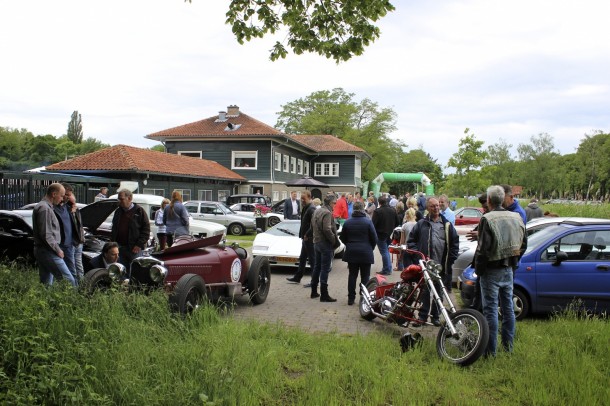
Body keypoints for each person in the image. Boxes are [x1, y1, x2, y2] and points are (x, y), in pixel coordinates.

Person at [473, 185, 527, 357]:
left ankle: (490, 351)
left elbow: (483, 250)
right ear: (503, 198)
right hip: (509, 269)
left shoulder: (487, 219)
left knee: (490, 310)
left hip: (491, 270)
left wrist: (479, 271)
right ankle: (508, 347)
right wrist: (513, 262)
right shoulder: (517, 216)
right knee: (508, 308)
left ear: (488, 200)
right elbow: (523, 244)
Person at [408, 197, 459, 326]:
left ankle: (435, 317)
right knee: (425, 292)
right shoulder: (421, 224)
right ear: (427, 208)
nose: (436, 208)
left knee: (439, 293)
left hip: (441, 266)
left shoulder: (446, 224)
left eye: (437, 206)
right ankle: (422, 317)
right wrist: (418, 257)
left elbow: (454, 244)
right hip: (426, 265)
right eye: (433, 206)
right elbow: (411, 241)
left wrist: (450, 260)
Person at [32, 183, 77, 287]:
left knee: (46, 283)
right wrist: (58, 250)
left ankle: (47, 302)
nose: (62, 199)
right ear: (53, 194)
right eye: (61, 196)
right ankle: (72, 302)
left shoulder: (45, 206)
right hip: (48, 251)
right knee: (69, 282)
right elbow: (46, 234)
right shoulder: (45, 208)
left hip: (44, 250)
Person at [341, 201, 377, 305]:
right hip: (366, 251)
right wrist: (370, 247)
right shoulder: (368, 222)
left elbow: (342, 238)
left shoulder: (348, 222)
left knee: (352, 275)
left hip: (352, 252)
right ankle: (364, 297)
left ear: (353, 210)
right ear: (362, 209)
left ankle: (351, 298)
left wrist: (349, 244)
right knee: (365, 276)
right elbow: (374, 238)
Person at [310, 194, 340, 302]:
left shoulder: (316, 211)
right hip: (325, 243)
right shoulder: (327, 213)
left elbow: (312, 226)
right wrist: (333, 241)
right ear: (330, 203)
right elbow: (327, 229)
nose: (335, 205)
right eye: (334, 203)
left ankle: (313, 291)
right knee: (325, 269)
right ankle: (324, 294)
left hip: (316, 242)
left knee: (317, 267)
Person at [111, 188, 150, 268]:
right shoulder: (118, 211)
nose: (119, 201)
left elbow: (146, 230)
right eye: (118, 199)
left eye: (121, 199)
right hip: (120, 248)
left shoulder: (139, 211)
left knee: (135, 270)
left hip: (134, 249)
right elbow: (114, 227)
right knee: (121, 270)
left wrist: (139, 244)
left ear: (129, 198)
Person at [286, 190, 316, 284]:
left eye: (304, 198)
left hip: (309, 238)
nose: (302, 200)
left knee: (312, 260)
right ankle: (298, 277)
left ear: (310, 197)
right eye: (301, 198)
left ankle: (314, 281)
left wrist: (307, 234)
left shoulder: (311, 209)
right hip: (305, 238)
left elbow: (313, 224)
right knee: (302, 258)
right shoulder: (306, 207)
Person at [53, 183, 79, 283]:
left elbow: (76, 225)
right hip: (58, 245)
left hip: (69, 245)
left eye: (69, 195)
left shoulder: (69, 208)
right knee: (57, 272)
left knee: (72, 271)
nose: (68, 197)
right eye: (66, 195)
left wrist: (73, 212)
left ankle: (74, 293)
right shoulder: (52, 208)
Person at [372, 196, 399, 275]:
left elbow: (373, 224)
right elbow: (397, 222)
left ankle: (387, 269)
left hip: (380, 234)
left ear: (379, 203)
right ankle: (388, 268)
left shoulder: (377, 211)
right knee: (386, 251)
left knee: (384, 252)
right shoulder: (393, 210)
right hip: (390, 234)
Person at [64, 184, 86, 280]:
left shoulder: (75, 208)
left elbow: (79, 225)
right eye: (68, 195)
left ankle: (82, 286)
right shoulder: (64, 208)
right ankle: (74, 288)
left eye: (71, 194)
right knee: (71, 267)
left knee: (79, 267)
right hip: (71, 242)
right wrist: (72, 213)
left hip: (78, 241)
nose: (71, 197)